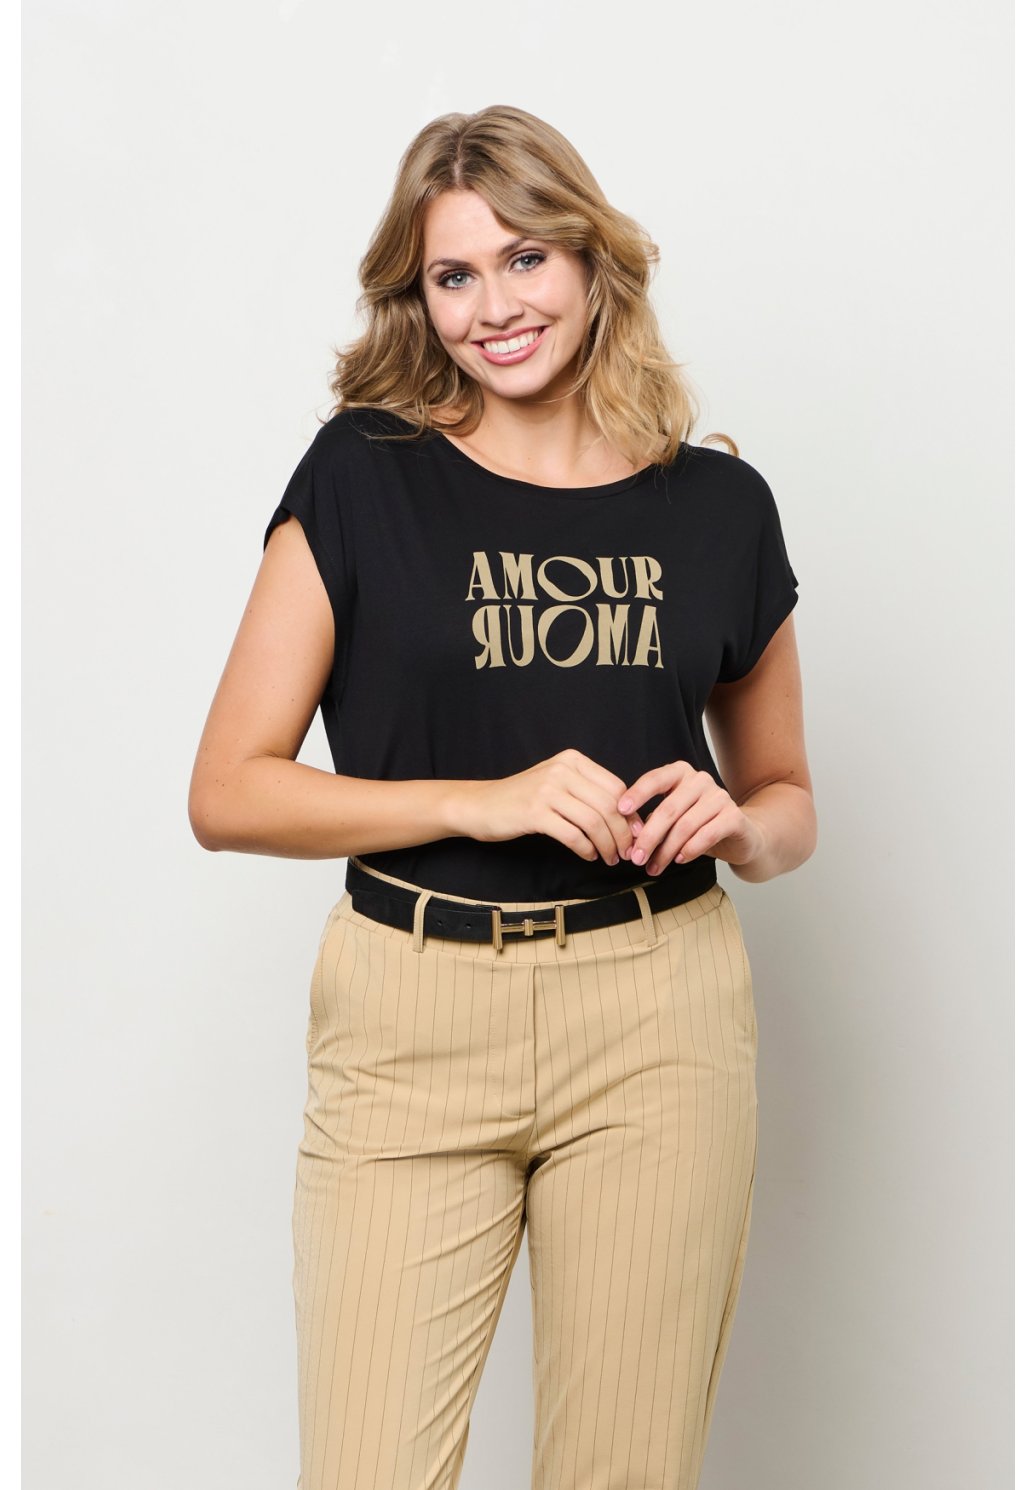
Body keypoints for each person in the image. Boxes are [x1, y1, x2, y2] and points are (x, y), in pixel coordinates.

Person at [188, 104, 817, 1490]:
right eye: (453, 275)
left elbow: (787, 799)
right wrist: (482, 800)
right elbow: (228, 791)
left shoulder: (721, 509)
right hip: (410, 1013)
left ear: (592, 260)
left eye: (525, 258)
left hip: (658, 1016)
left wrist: (741, 824)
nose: (494, 307)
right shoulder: (366, 476)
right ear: (417, 297)